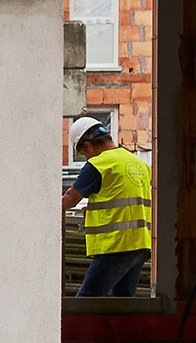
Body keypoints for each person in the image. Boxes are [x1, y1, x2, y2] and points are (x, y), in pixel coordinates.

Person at [62, 116, 153, 297]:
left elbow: (70, 198)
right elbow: (122, 197)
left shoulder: (98, 164)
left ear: (88, 146)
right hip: (140, 245)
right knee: (123, 303)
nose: (85, 158)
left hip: (116, 246)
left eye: (82, 153)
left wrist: (43, 212)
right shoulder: (138, 163)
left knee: (87, 299)